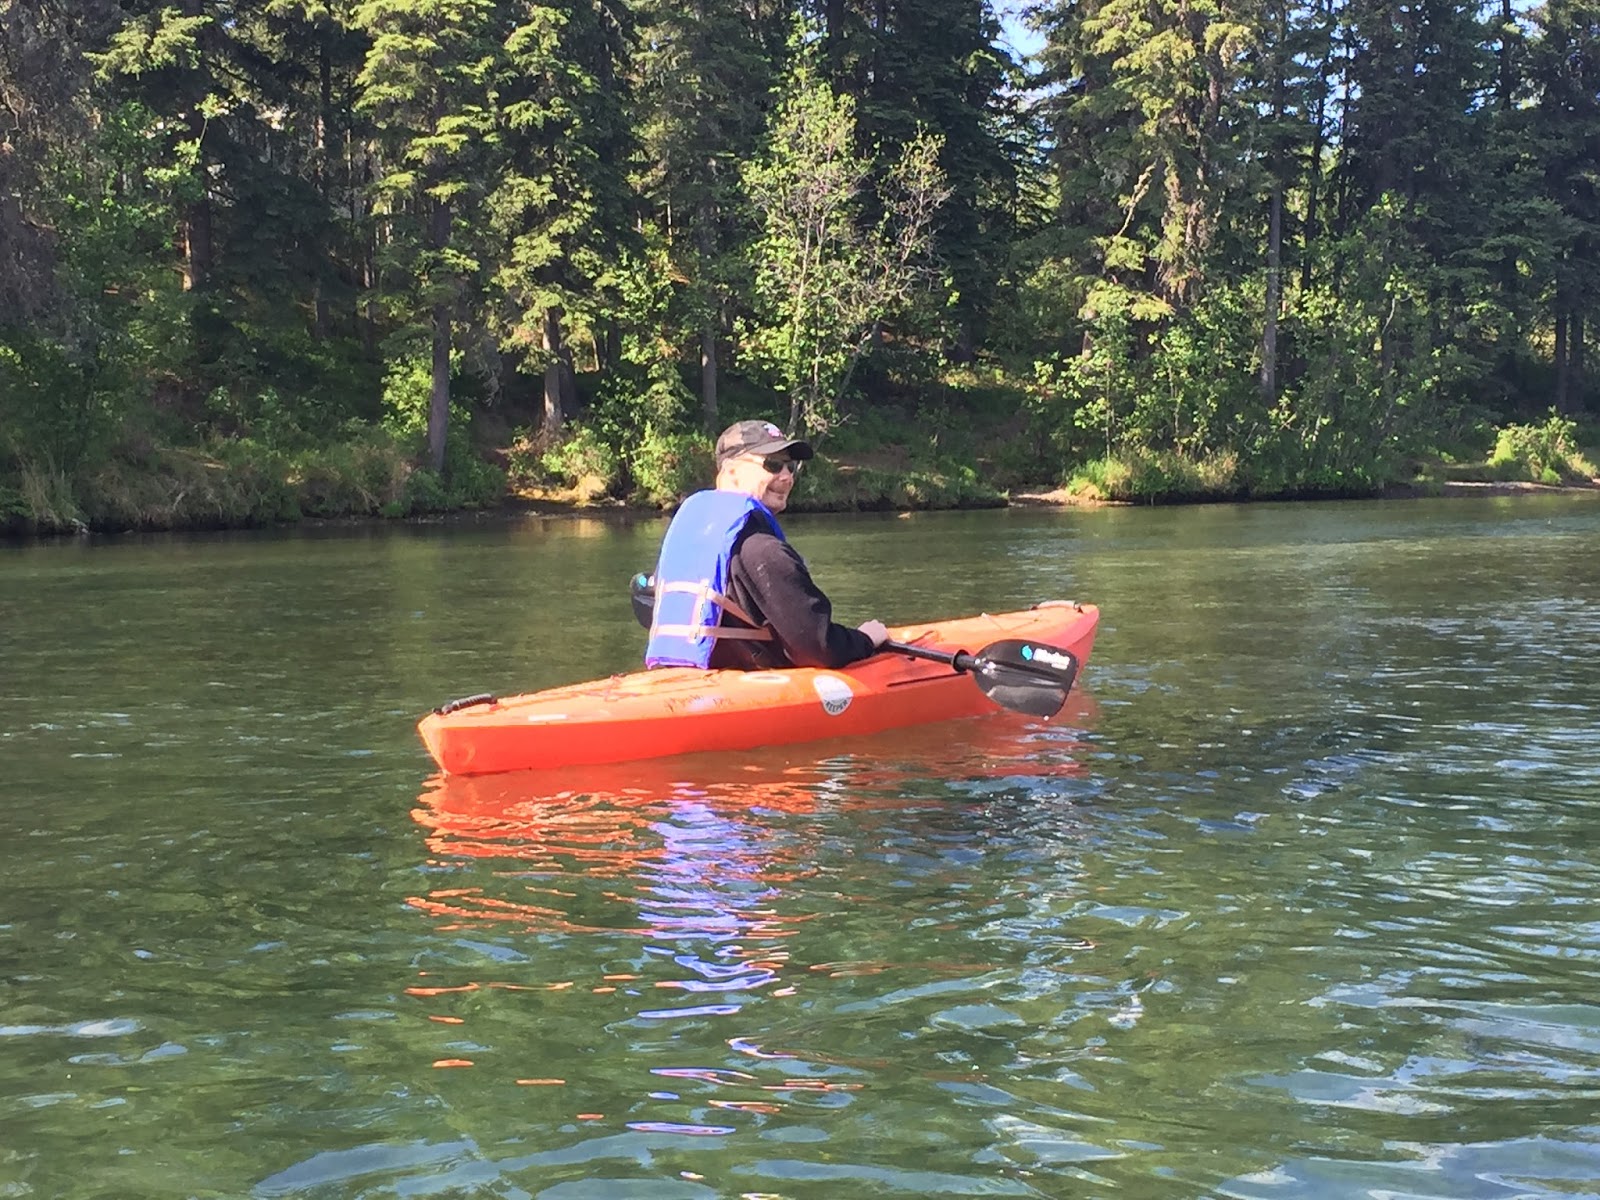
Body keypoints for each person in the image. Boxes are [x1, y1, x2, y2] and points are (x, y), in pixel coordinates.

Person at [645, 419, 889, 671]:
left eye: (790, 466)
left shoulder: (692, 538)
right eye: (772, 465)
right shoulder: (762, 550)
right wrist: (865, 639)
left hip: (679, 677)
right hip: (738, 694)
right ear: (731, 473)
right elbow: (819, 647)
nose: (786, 477)